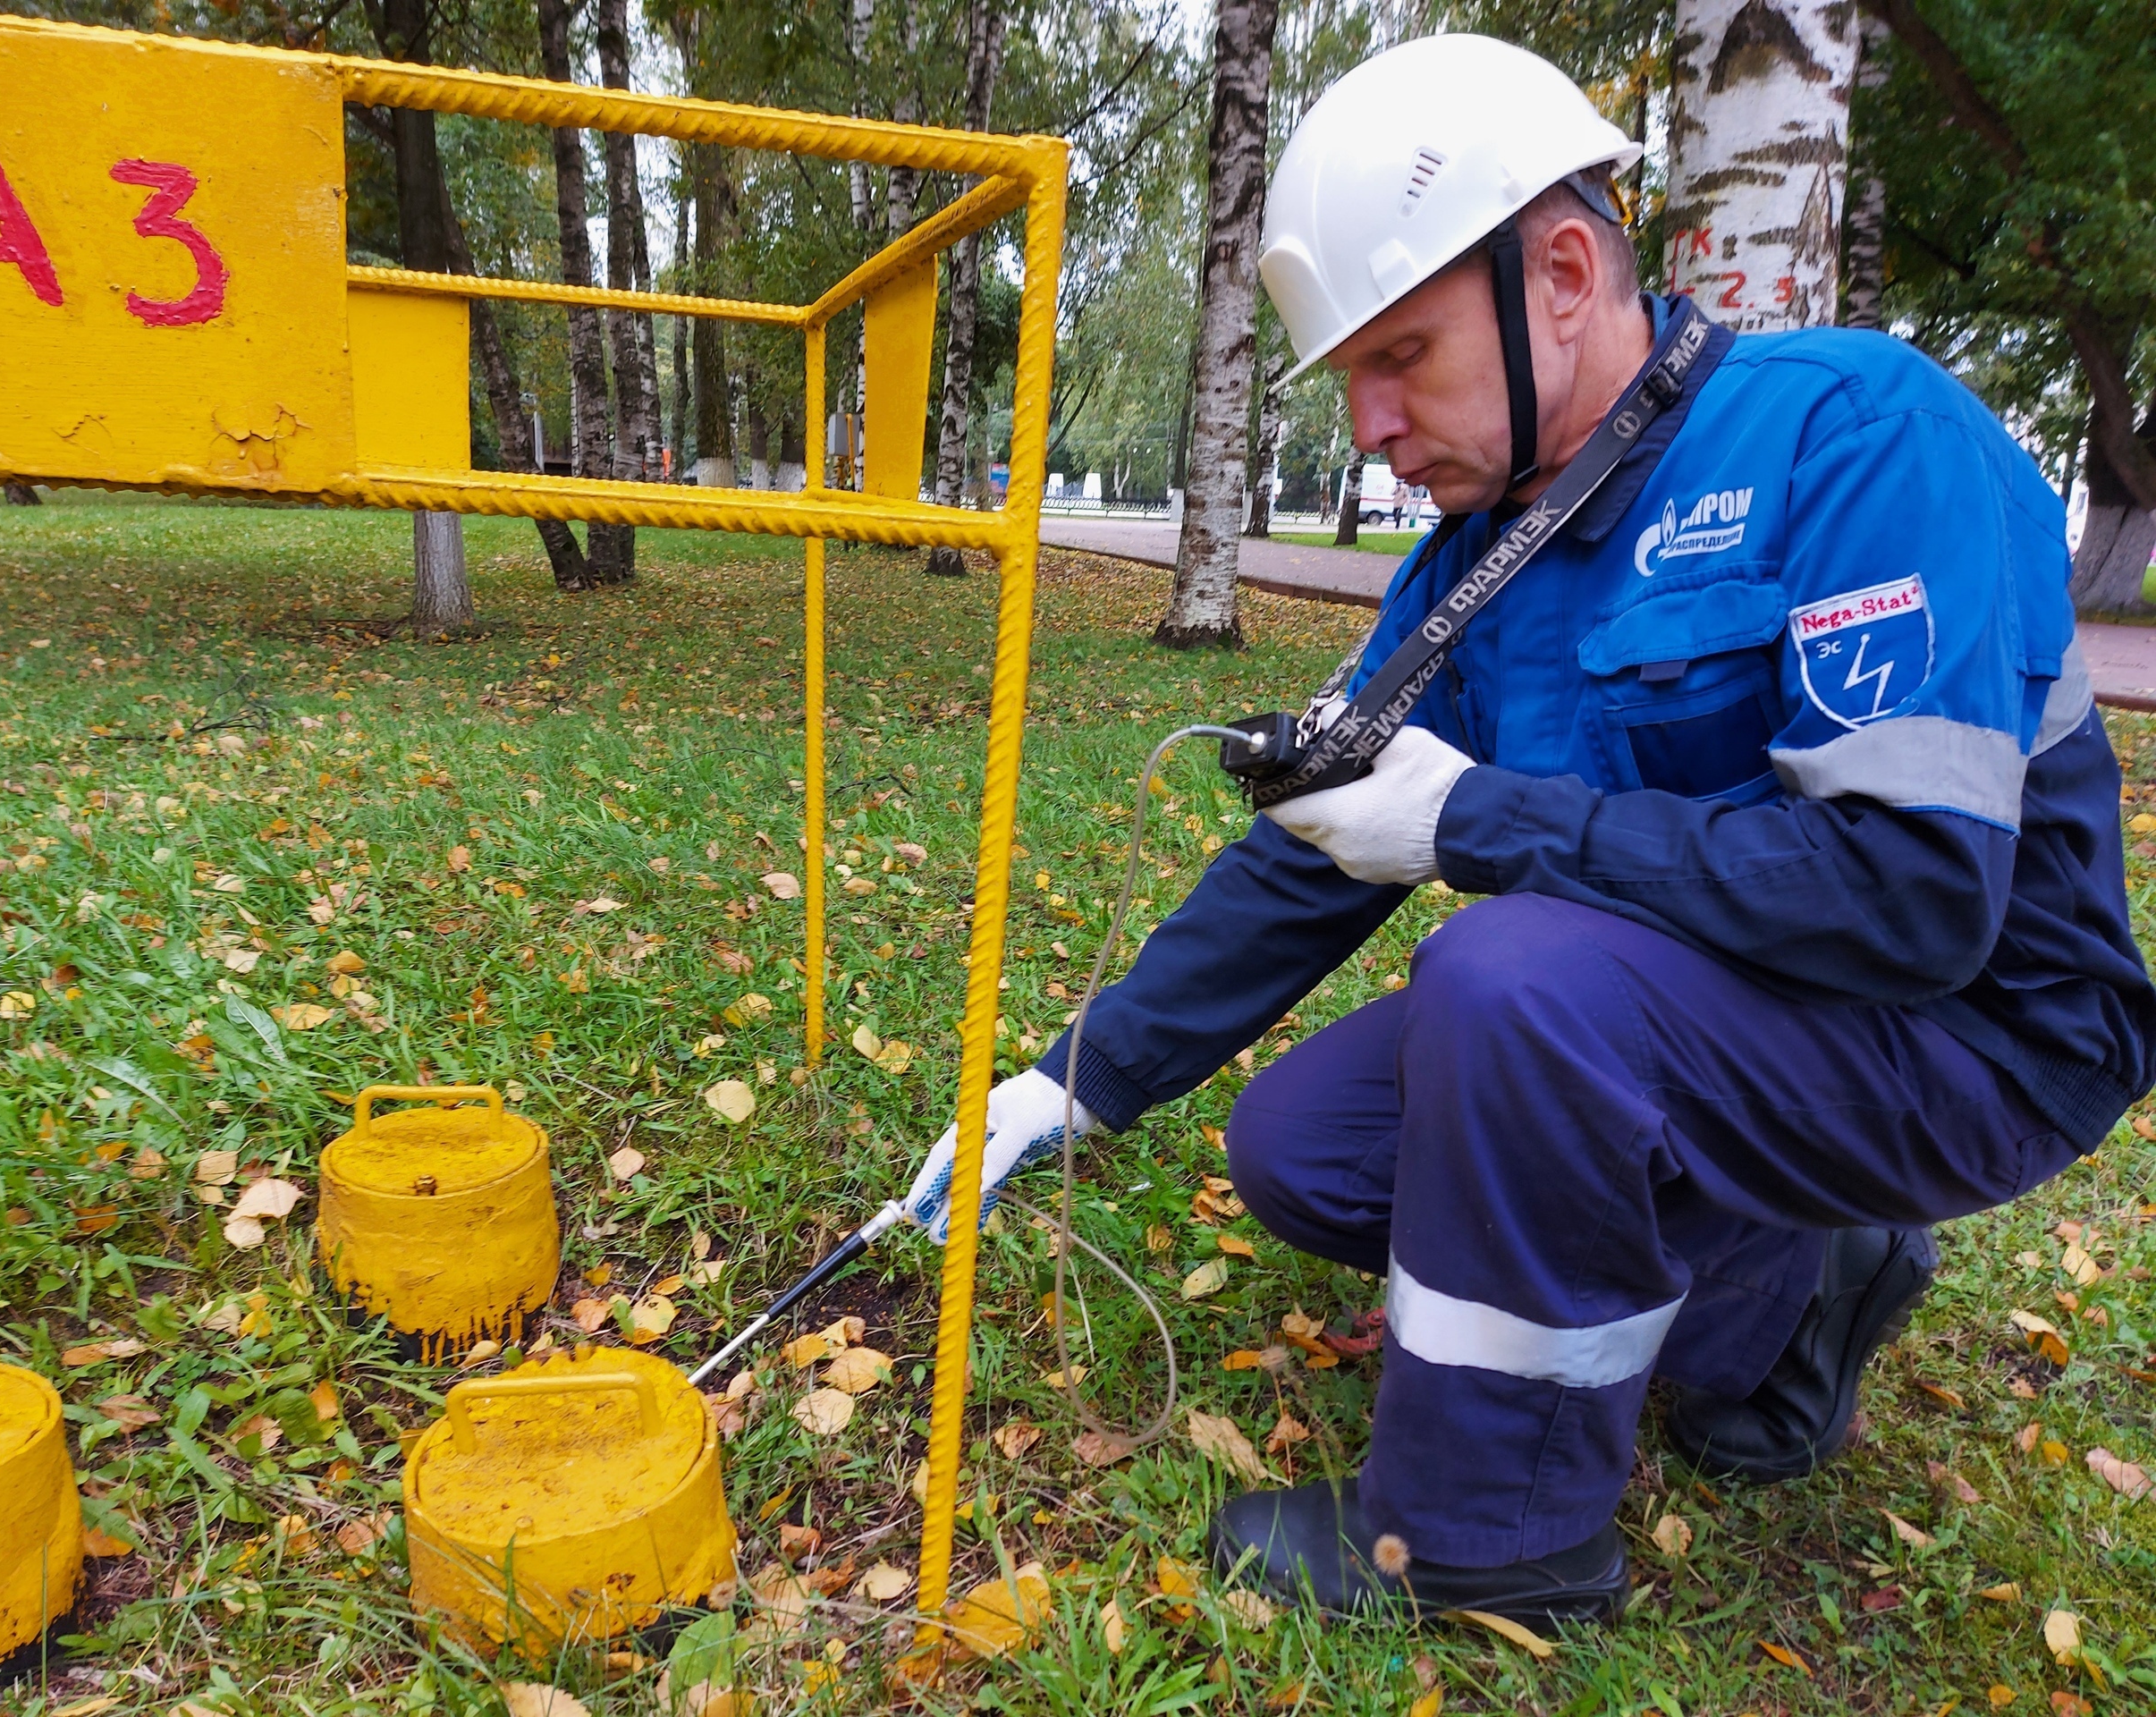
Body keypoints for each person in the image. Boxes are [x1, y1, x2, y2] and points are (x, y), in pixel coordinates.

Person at [901, 34, 2155, 1628]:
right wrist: (1072, 1080)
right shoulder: (1475, 562)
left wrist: (1478, 819)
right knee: (1309, 1153)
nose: (1365, 424)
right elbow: (1313, 848)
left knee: (1510, 980)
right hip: (1734, 1022)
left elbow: (1911, 903)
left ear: (1562, 269)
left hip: (1971, 1034)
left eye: (1400, 355)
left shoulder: (1853, 436)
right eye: (1347, 377)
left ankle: (1489, 1534)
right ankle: (1779, 1288)